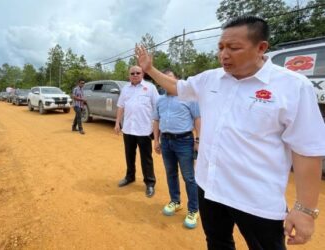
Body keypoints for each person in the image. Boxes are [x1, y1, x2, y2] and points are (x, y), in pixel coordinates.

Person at [135, 16, 325, 249]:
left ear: (261, 47)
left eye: (233, 48)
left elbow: (308, 150)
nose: (224, 54)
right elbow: (177, 87)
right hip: (209, 188)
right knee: (217, 242)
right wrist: (150, 69)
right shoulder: (210, 79)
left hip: (256, 200)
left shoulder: (293, 86)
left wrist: (305, 210)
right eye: (221, 47)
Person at [153, 69, 201, 229]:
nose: (166, 82)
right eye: (163, 79)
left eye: (170, 79)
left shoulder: (189, 98)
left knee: (189, 177)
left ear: (178, 81)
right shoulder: (160, 100)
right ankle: (175, 201)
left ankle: (193, 209)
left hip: (184, 141)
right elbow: (156, 120)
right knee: (171, 173)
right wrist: (156, 141)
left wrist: (198, 140)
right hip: (166, 141)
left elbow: (197, 118)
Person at [115, 66, 159, 197]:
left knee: (146, 158)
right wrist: (117, 122)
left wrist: (157, 127)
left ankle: (150, 183)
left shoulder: (150, 88)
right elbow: (120, 106)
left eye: (138, 73)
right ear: (129, 75)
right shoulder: (125, 89)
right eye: (132, 73)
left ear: (143, 74)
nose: (135, 75)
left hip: (144, 129)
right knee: (129, 155)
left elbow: (157, 107)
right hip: (128, 128)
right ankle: (130, 177)